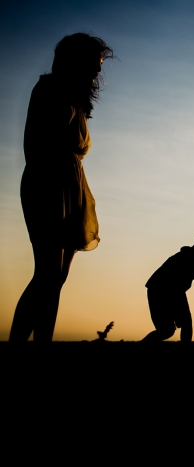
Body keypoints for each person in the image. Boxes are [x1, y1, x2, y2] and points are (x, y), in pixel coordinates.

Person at [10, 33, 114, 342]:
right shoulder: (49, 88)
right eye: (94, 64)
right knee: (47, 275)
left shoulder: (76, 99)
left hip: (72, 186)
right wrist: (54, 186)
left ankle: (43, 342)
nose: (97, 72)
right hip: (47, 183)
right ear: (74, 61)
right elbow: (36, 146)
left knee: (57, 278)